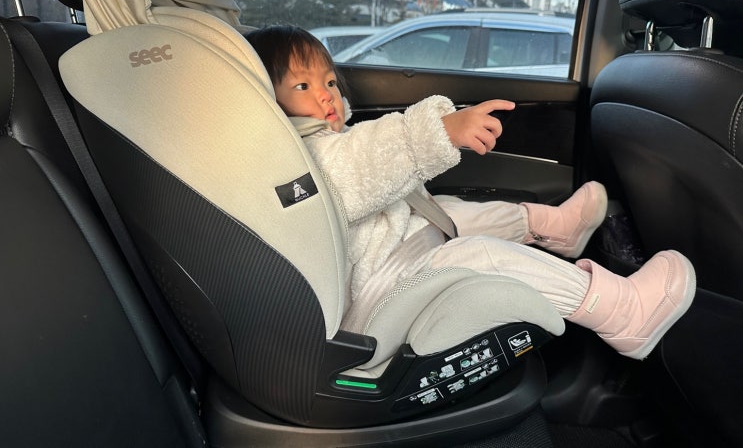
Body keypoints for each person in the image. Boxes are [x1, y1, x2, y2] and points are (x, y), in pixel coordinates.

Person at [245, 24, 696, 360]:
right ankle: (622, 312)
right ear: (268, 102)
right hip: (374, 304)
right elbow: (361, 161)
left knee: (451, 211)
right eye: (302, 86)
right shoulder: (307, 158)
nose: (326, 95)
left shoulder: (322, 142)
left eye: (328, 81)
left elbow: (367, 166)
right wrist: (437, 132)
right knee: (478, 254)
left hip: (387, 254)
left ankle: (554, 227)